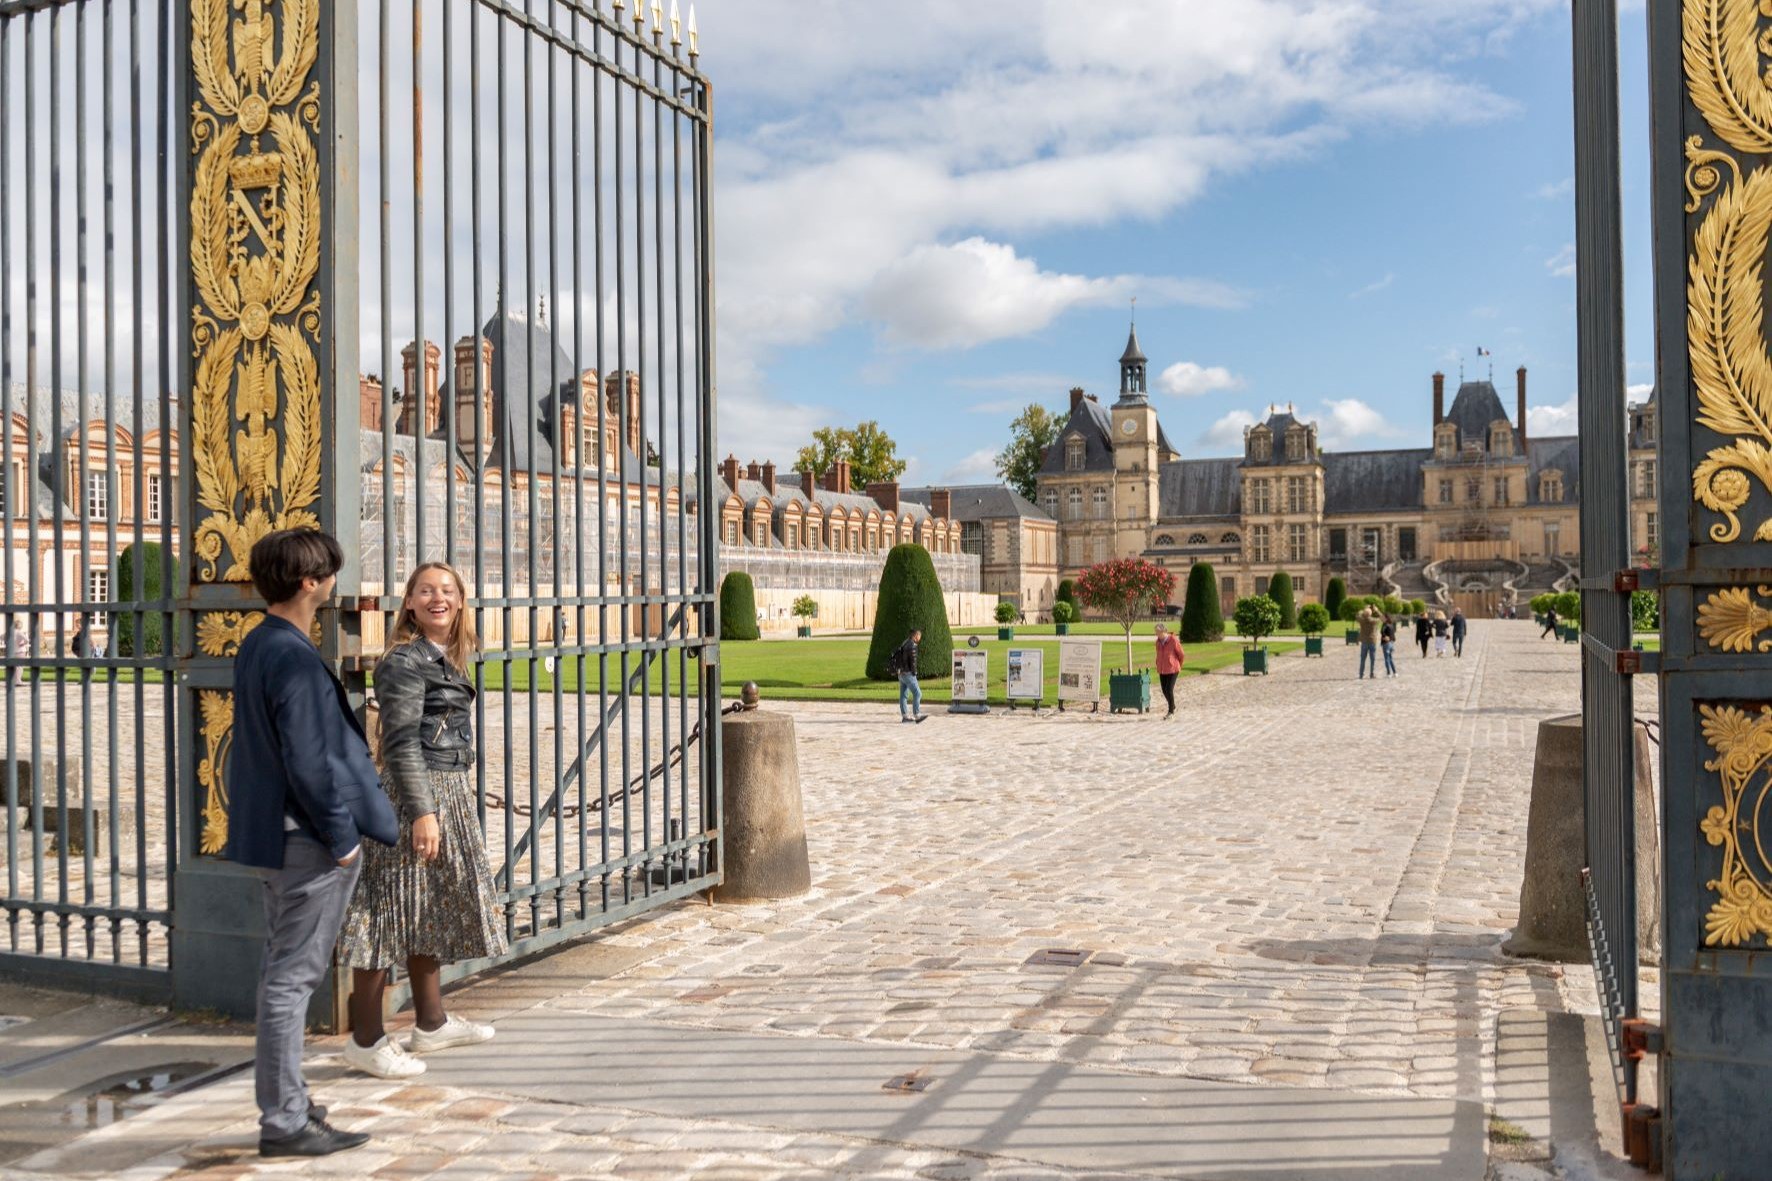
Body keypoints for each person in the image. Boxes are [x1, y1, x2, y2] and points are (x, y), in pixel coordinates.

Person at [224, 529, 398, 1159]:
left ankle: (289, 1101)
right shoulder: (293, 656)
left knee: (283, 972)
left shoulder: (260, 643)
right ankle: (285, 1120)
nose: (333, 586)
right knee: (290, 980)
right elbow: (308, 759)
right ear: (310, 582)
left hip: (278, 835)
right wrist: (342, 837)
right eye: (329, 575)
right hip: (308, 841)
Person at [339, 562, 505, 1079]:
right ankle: (365, 1038)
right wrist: (423, 812)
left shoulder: (444, 658)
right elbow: (400, 743)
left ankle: (430, 1023)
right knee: (386, 912)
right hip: (418, 794)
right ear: (408, 602)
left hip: (445, 791)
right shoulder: (404, 662)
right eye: (426, 590)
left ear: (460, 601)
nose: (439, 598)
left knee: (426, 905)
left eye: (448, 590)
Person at [891, 627, 927, 723]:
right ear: (916, 636)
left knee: (903, 695)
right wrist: (914, 672)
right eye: (919, 636)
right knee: (917, 693)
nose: (920, 638)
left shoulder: (905, 643)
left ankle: (905, 716)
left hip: (901, 673)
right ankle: (917, 715)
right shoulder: (912, 645)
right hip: (908, 673)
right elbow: (913, 661)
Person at [1153, 623, 1184, 718]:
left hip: (1173, 669)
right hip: (1162, 669)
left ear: (1164, 631)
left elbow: (1181, 654)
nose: (1157, 634)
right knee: (1164, 690)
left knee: (1169, 689)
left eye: (1158, 632)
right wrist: (1158, 663)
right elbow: (1158, 655)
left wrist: (1178, 665)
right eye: (1156, 632)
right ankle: (1172, 705)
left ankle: (1171, 712)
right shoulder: (1157, 642)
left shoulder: (1173, 640)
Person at [1356, 604, 1380, 680]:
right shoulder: (1374, 621)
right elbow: (1382, 618)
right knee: (1372, 659)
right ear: (1371, 614)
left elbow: (1357, 615)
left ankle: (1361, 675)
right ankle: (1372, 674)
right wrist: (1376, 610)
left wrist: (1364, 609)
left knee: (1362, 659)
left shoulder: (1361, 620)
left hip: (1364, 642)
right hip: (1372, 641)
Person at [8, 617, 28, 686]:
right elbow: (27, 639)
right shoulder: (19, 632)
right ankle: (18, 681)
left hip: (13, 651)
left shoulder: (11, 632)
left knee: (15, 667)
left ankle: (14, 680)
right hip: (20, 651)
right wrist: (23, 643)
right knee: (20, 667)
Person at [1380, 613, 1398, 677]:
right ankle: (1395, 672)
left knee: (1386, 659)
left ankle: (1388, 673)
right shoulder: (1391, 624)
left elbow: (1382, 631)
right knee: (1390, 658)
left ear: (1386, 618)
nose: (1381, 619)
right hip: (1391, 643)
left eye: (1382, 617)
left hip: (1386, 643)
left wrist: (1385, 636)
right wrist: (1392, 640)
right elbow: (1393, 634)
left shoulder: (1385, 624)